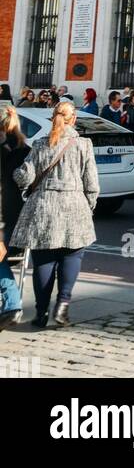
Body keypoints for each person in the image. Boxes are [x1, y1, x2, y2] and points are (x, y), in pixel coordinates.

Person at [11, 100, 99, 328]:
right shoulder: (84, 144)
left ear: (54, 118)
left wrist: (15, 170)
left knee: (44, 260)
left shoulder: (40, 143)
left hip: (43, 205)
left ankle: (40, 314)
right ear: (74, 120)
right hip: (74, 204)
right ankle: (62, 307)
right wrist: (88, 206)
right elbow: (92, 183)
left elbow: (24, 177)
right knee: (72, 255)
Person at [0, 106, 31, 328]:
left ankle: (11, 303)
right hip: (18, 217)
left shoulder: (6, 150)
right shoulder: (25, 148)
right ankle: (11, 304)